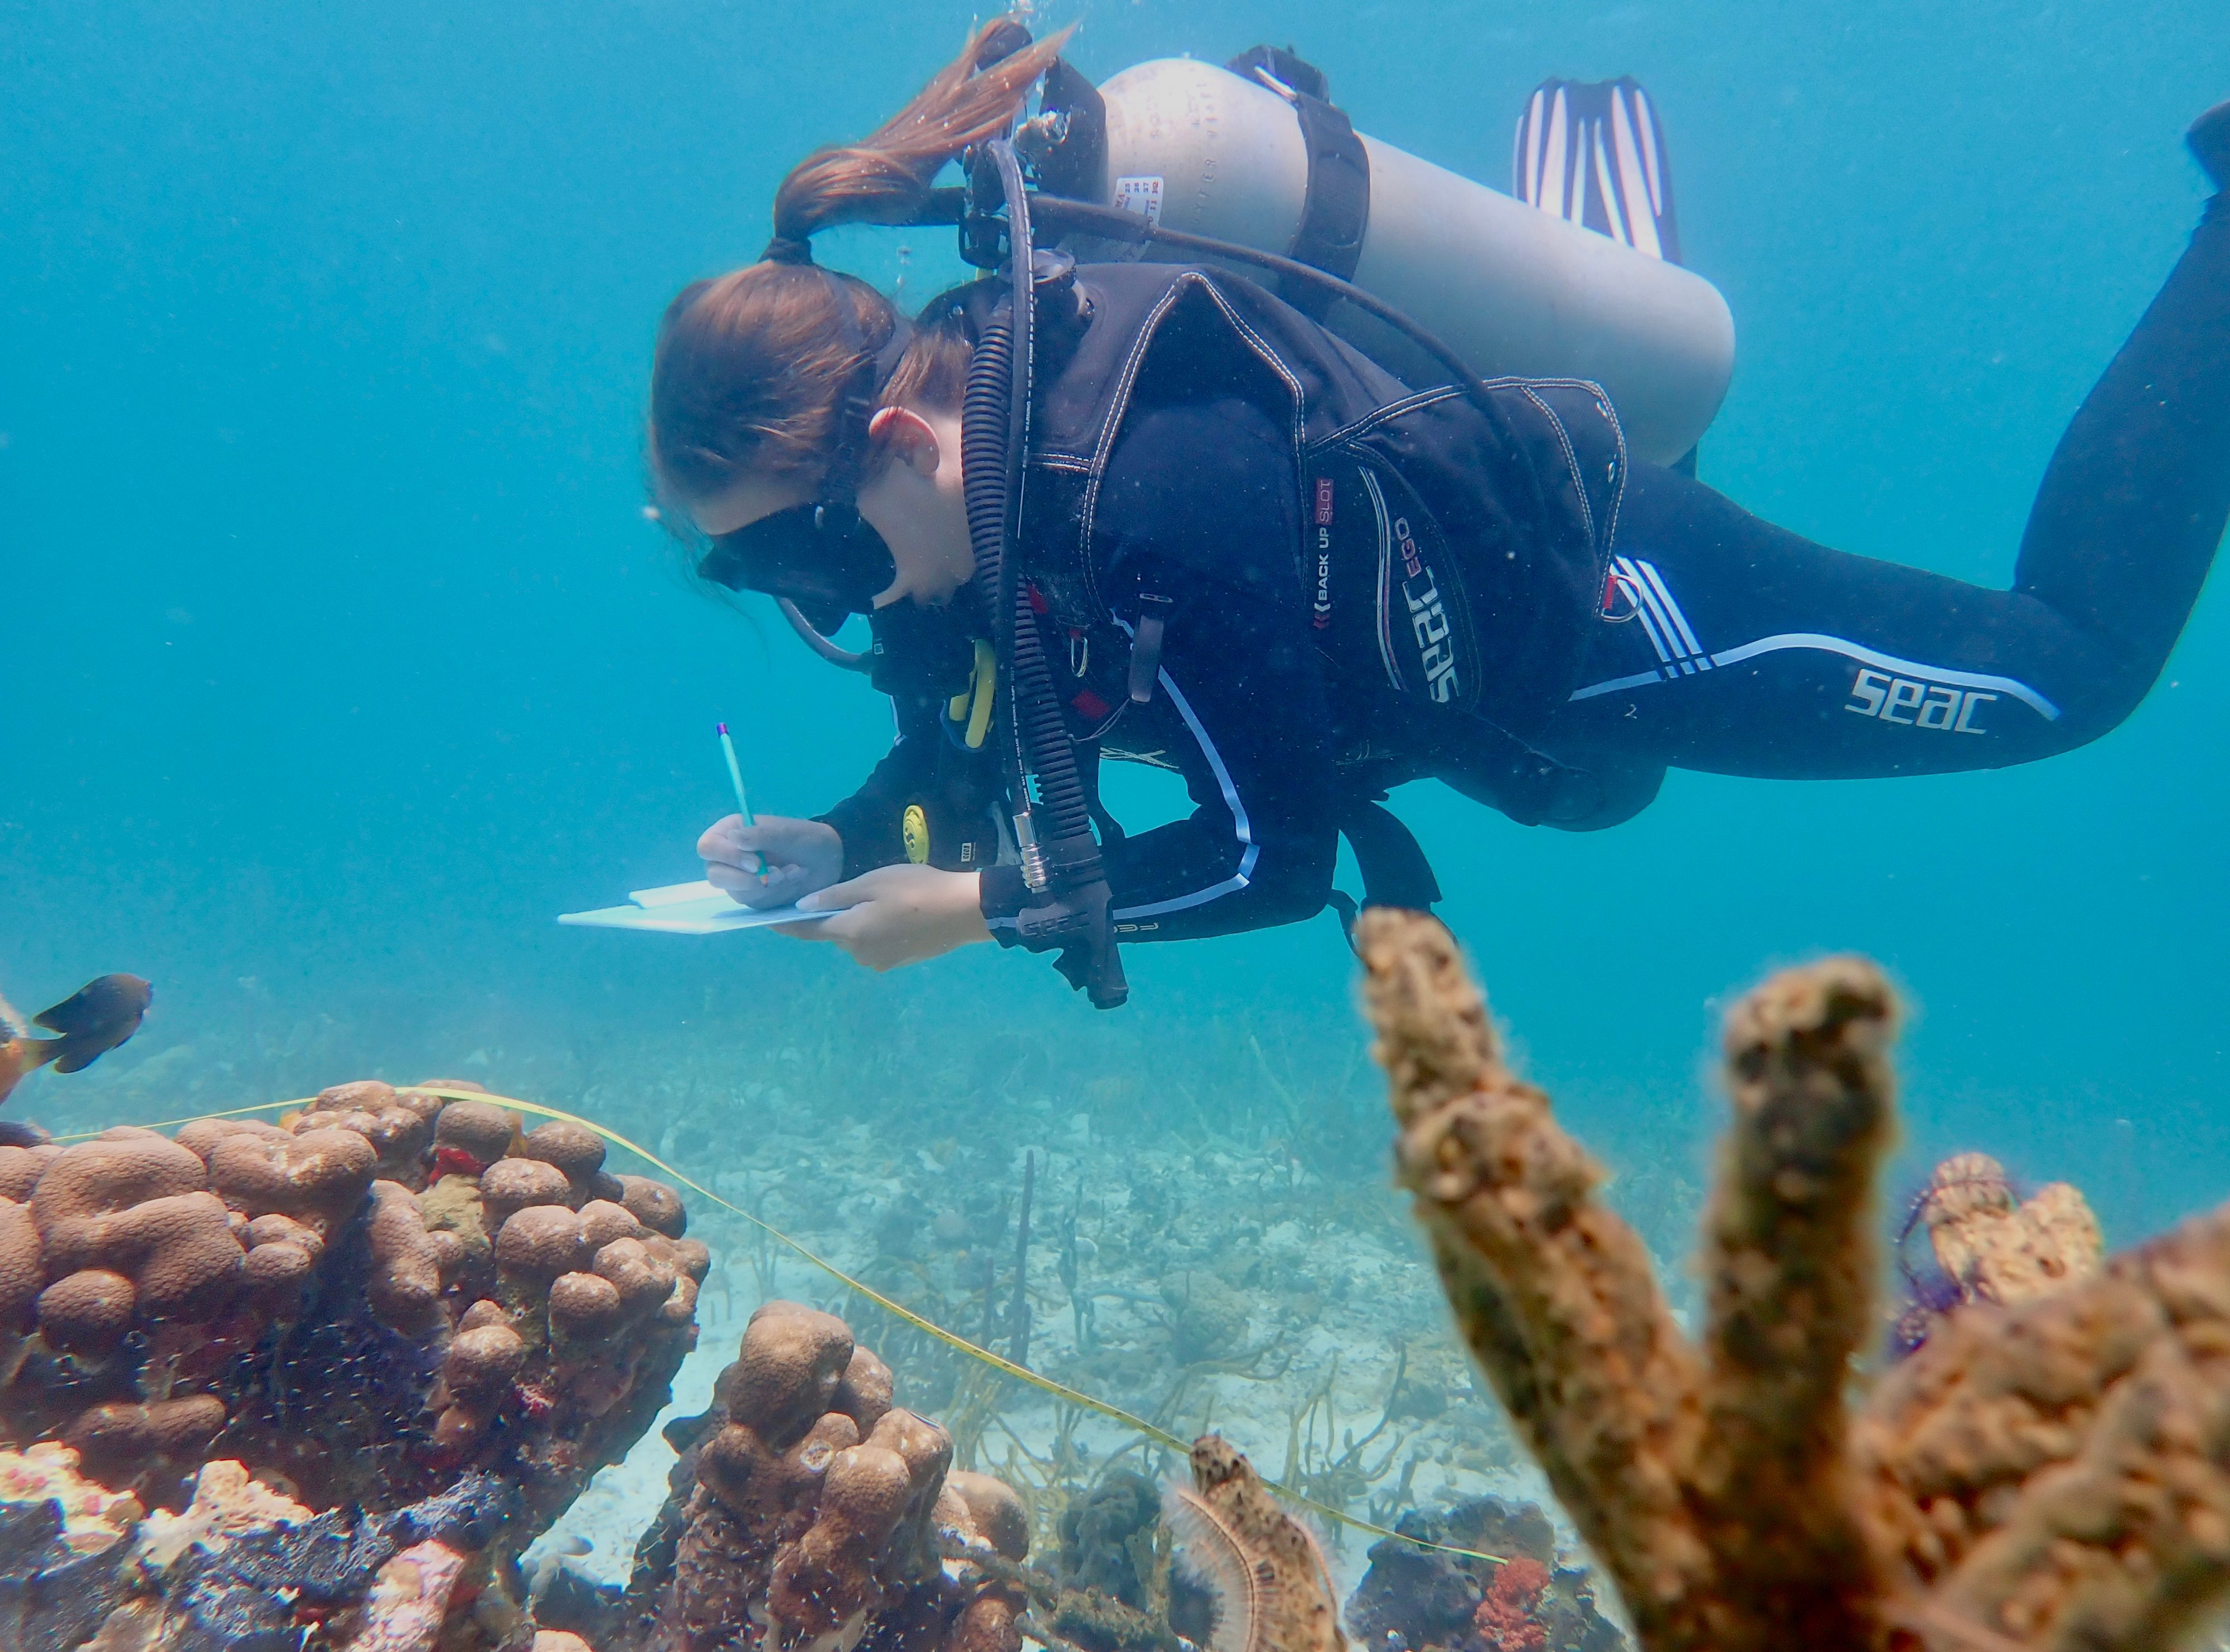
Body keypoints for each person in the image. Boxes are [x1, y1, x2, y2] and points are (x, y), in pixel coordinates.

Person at [651, 22, 2230, 984]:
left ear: (907, 440)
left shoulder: (1142, 482)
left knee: (2062, 676)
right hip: (1476, 692)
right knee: (1610, 798)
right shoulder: (972, 530)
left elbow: (1267, 858)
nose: (822, 606)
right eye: (751, 579)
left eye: (802, 552)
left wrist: (970, 916)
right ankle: (1600, 291)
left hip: (1596, 591)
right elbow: (975, 745)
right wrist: (845, 836)